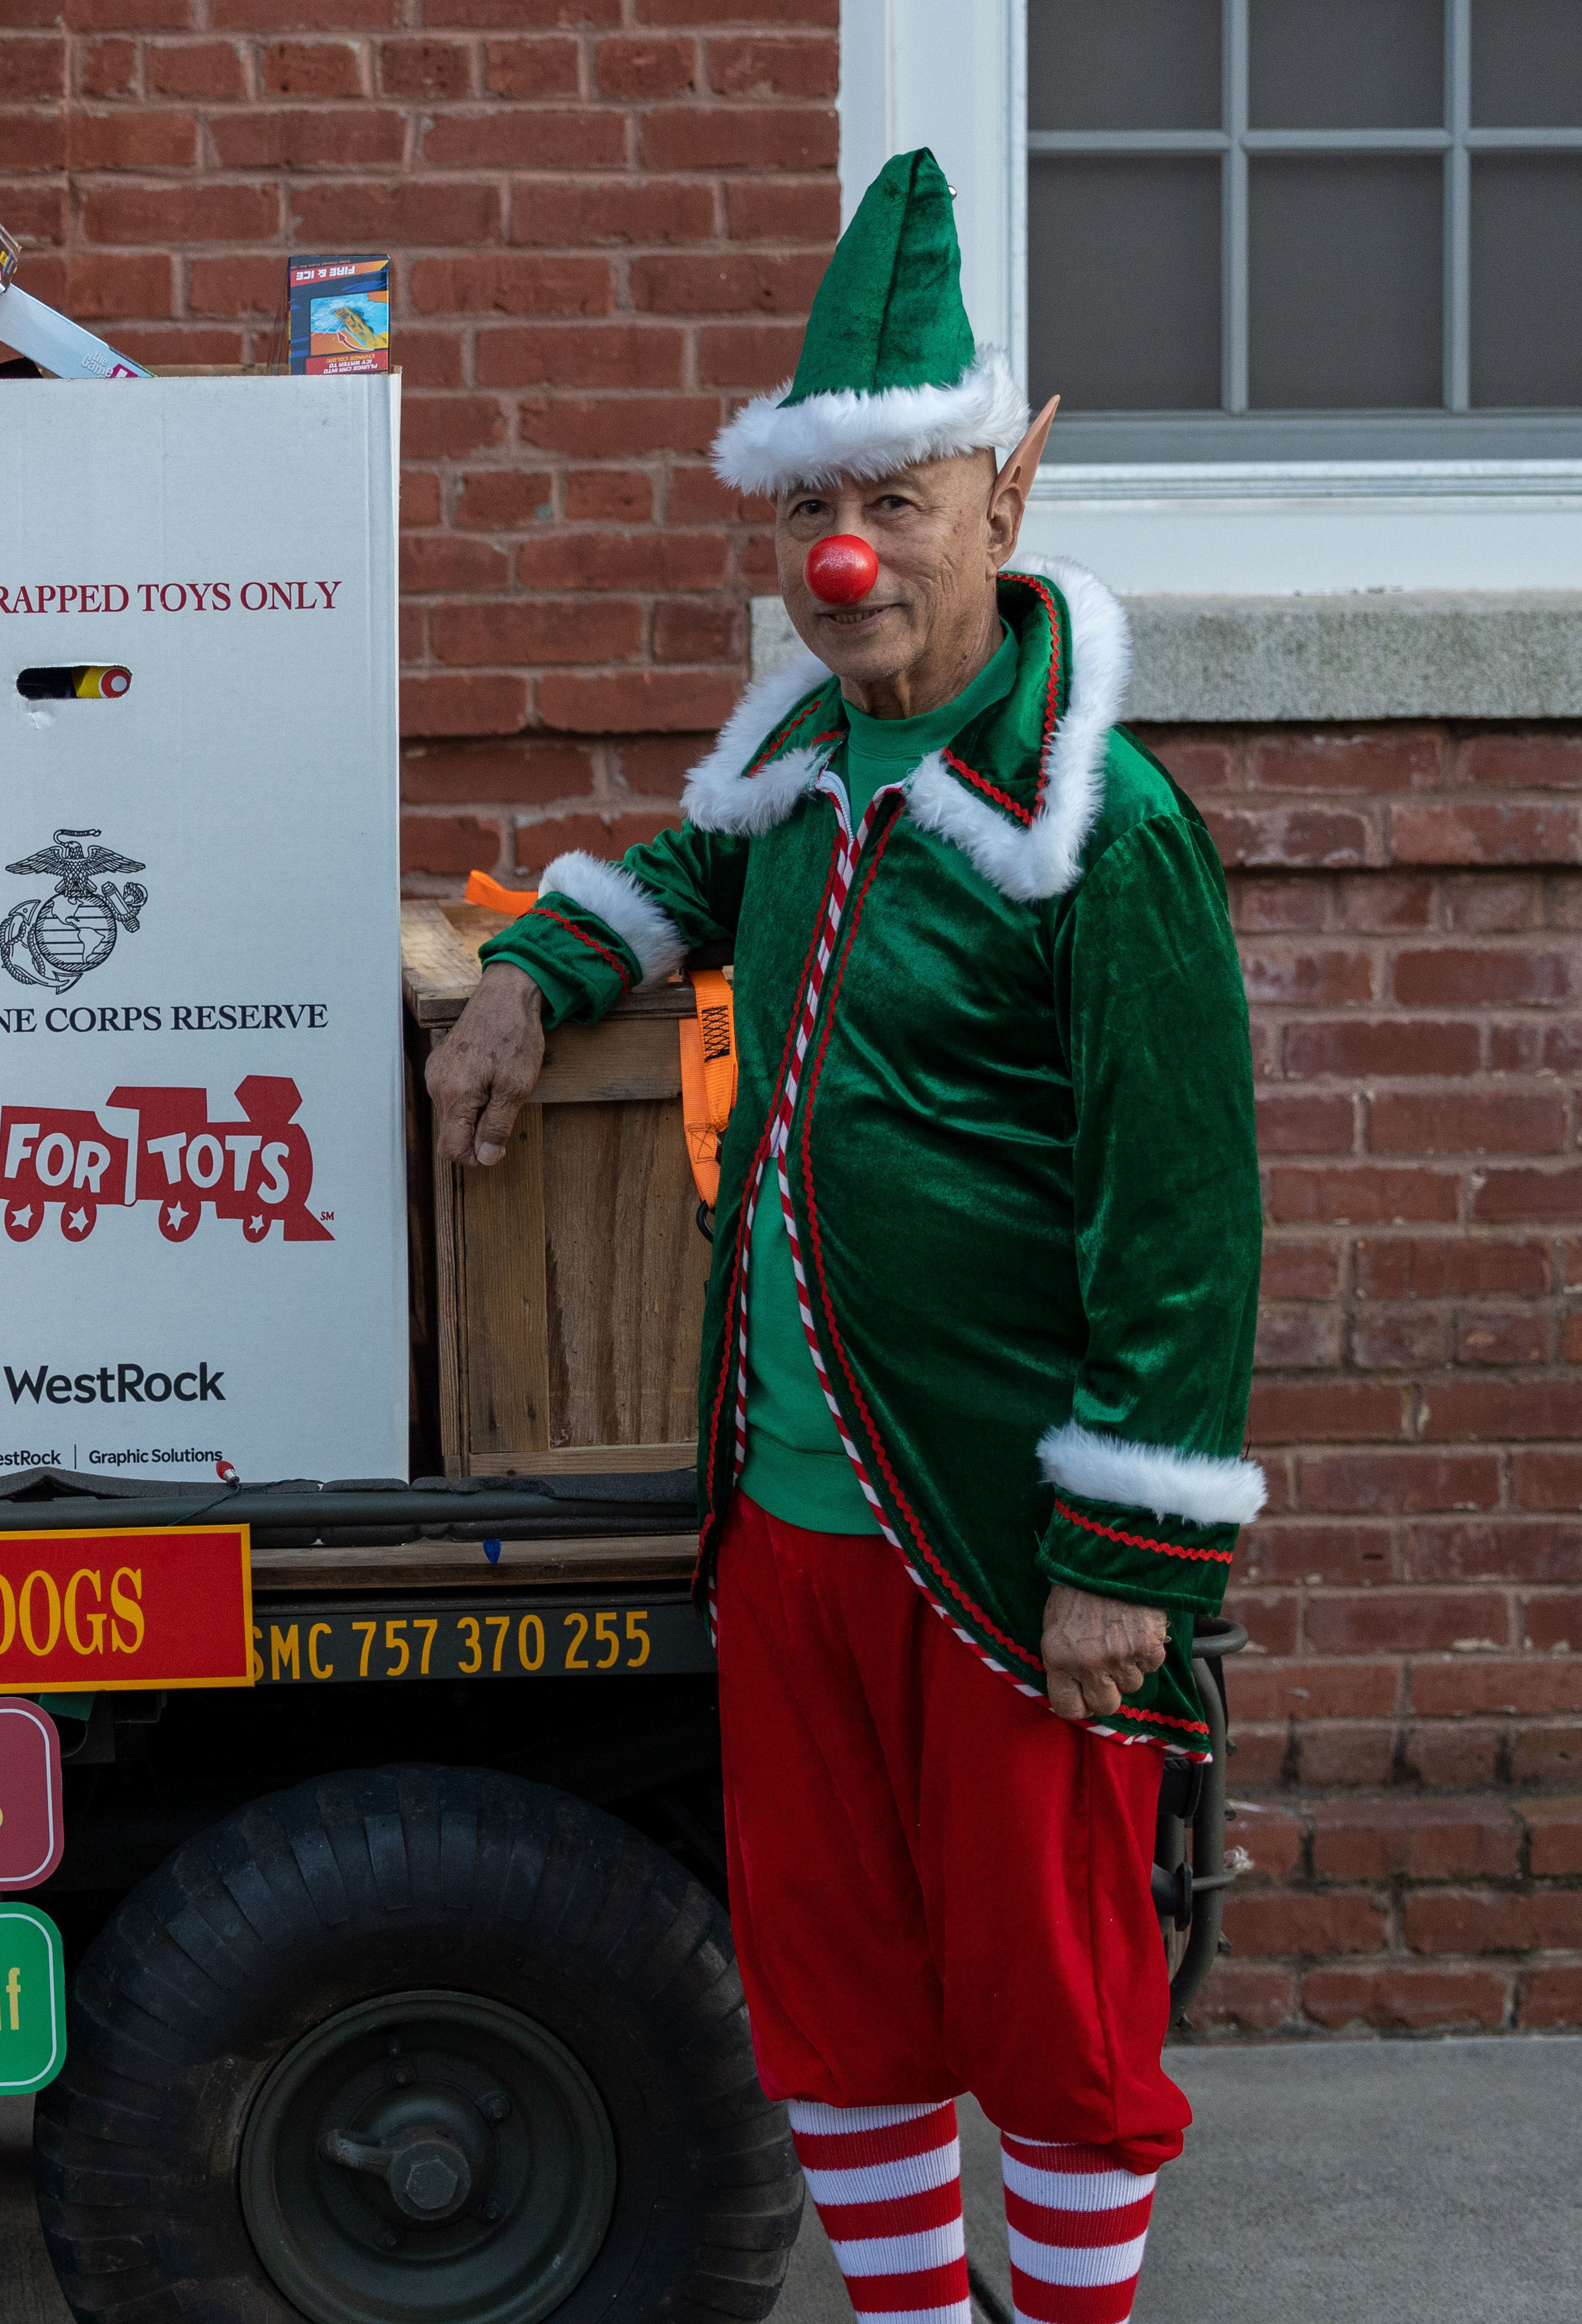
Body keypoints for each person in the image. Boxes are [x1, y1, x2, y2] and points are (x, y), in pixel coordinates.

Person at [426, 150, 1262, 2324]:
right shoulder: (810, 757)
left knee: (1059, 2010)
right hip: (787, 1517)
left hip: (997, 1537)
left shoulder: (1106, 830)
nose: (847, 553)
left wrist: (1129, 1562)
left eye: (903, 495)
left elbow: (1181, 1229)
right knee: (836, 1983)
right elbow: (699, 879)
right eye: (820, 506)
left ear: (1015, 484)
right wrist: (540, 970)